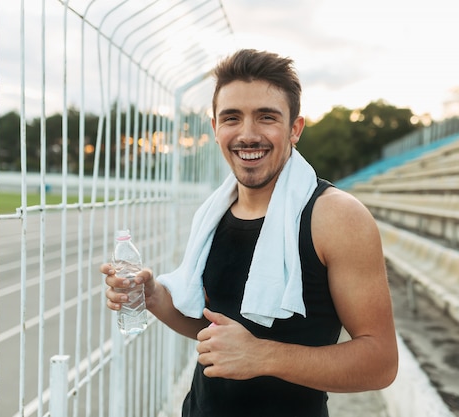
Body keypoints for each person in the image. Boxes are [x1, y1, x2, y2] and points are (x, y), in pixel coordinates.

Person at [101, 48, 398, 417]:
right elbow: (215, 330)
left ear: (295, 129)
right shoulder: (214, 211)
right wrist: (154, 297)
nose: (247, 134)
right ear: (214, 129)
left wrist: (262, 355)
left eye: (266, 117)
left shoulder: (336, 217)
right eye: (231, 118)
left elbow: (381, 362)